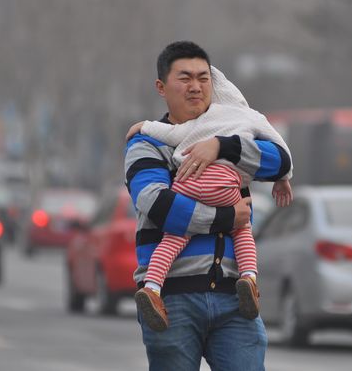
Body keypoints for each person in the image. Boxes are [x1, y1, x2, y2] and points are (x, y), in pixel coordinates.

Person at [124, 41, 292, 371]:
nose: (196, 87)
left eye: (203, 78)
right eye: (184, 78)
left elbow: (280, 161)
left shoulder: (233, 135)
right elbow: (158, 206)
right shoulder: (148, 144)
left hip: (235, 301)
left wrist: (220, 146)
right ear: (161, 87)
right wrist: (228, 217)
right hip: (170, 300)